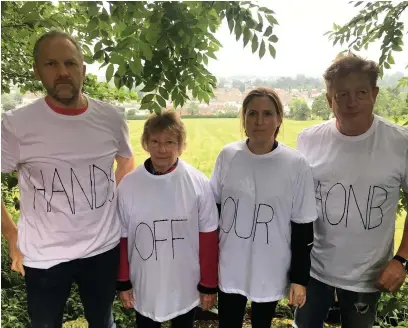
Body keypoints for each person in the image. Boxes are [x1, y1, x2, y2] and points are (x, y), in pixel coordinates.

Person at [1, 30, 135, 328]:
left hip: (103, 248)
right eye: (51, 64)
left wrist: (109, 202)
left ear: (83, 69)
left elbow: (125, 160)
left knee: (103, 321)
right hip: (44, 255)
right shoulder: (16, 125)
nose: (63, 72)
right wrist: (11, 233)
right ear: (36, 71)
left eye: (70, 63)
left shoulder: (111, 118)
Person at [293, 53, 408, 328]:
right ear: (328, 99)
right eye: (342, 94)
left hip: (368, 275)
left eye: (361, 92)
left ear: (375, 93)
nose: (351, 102)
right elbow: (296, 204)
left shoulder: (399, 143)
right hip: (314, 269)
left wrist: (401, 260)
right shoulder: (308, 140)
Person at [210, 87, 318, 328]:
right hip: (230, 264)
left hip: (271, 265)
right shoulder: (228, 156)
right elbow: (212, 212)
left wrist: (299, 279)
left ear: (279, 118)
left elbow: (303, 226)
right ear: (243, 118)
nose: (259, 121)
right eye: (252, 113)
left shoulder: (295, 164)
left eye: (267, 114)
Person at [116, 111, 219, 328]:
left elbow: (208, 237)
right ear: (145, 142)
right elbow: (122, 238)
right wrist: (123, 281)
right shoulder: (128, 185)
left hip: (185, 282)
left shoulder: (198, 183)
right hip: (145, 282)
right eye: (155, 141)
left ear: (181, 144)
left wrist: (208, 284)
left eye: (170, 142)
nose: (162, 149)